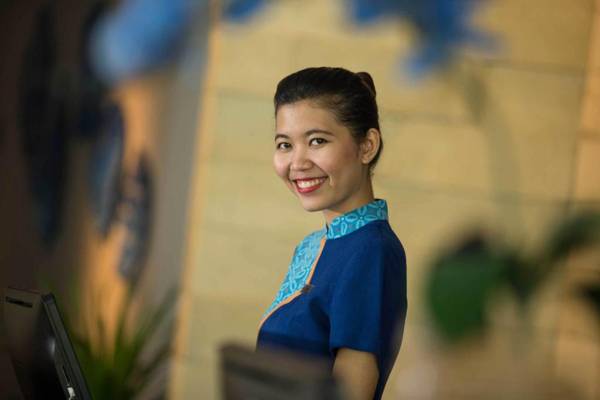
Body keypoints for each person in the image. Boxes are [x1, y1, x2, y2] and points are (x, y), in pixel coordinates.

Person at [256, 67, 407, 400]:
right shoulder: (316, 244)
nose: (297, 162)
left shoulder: (371, 250)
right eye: (285, 144)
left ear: (367, 146)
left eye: (317, 141)